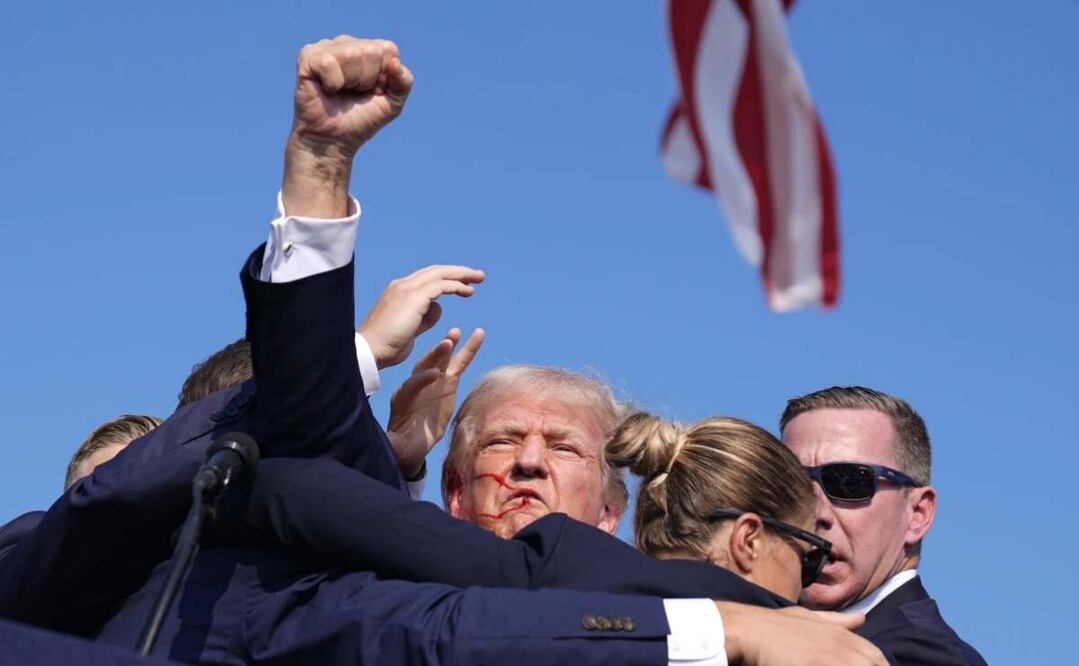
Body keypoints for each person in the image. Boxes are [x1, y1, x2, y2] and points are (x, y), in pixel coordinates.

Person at [7, 36, 885, 666]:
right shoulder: (337, 565)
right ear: (450, 490)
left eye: (564, 447)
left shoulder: (733, 622)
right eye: (500, 444)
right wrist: (320, 171)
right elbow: (305, 424)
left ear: (613, 507)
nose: (528, 465)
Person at [781, 386, 987, 665]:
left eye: (849, 482)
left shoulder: (926, 657)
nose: (815, 511)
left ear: (918, 513)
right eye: (791, 483)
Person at [605, 412, 830, 604]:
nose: (804, 589)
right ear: (749, 539)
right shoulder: (790, 651)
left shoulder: (592, 616)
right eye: (807, 562)